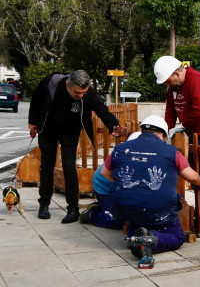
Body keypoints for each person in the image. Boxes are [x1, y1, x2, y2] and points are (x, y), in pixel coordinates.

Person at [102, 115, 200, 265]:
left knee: (137, 222)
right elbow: (192, 178)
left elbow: (105, 173)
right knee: (177, 237)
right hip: (158, 209)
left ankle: (137, 236)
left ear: (142, 130)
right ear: (162, 134)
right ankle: (150, 240)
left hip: (125, 209)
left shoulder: (120, 148)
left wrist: (126, 183)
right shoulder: (171, 151)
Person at [27, 70, 126, 222]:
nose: (81, 96)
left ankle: (73, 209)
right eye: (77, 93)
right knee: (47, 165)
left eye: (83, 93)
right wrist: (33, 121)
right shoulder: (51, 83)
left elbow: (101, 109)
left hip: (70, 131)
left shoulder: (88, 93)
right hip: (47, 129)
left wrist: (114, 126)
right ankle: (44, 204)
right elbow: (36, 99)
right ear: (68, 85)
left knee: (69, 166)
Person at [154, 55, 200, 215]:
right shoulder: (173, 88)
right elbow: (170, 111)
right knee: (196, 177)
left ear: (176, 73)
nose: (168, 85)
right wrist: (165, 133)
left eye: (168, 81)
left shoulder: (196, 79)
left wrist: (182, 126)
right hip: (194, 135)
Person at [80, 132, 142, 228]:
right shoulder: (119, 155)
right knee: (116, 220)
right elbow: (105, 174)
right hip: (104, 188)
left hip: (122, 189)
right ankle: (93, 213)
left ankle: (106, 208)